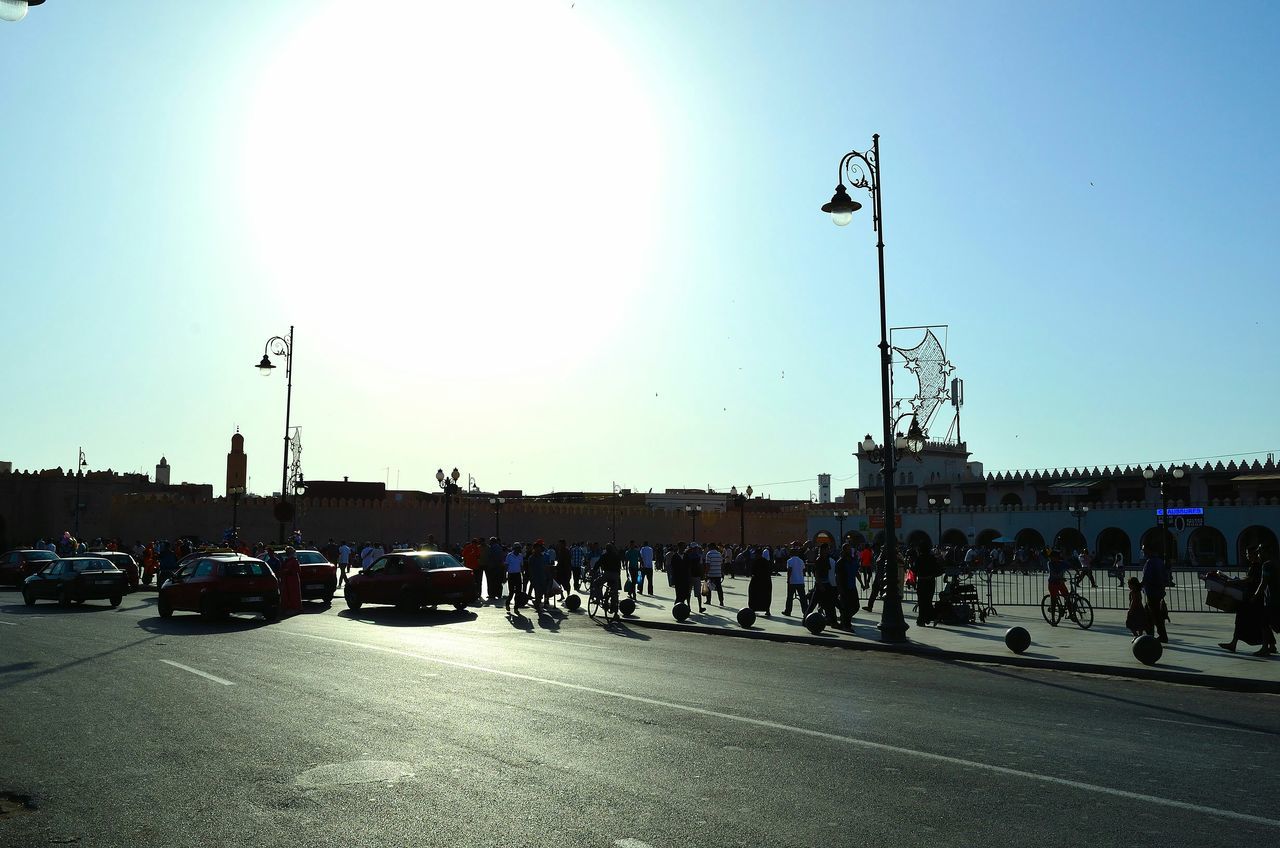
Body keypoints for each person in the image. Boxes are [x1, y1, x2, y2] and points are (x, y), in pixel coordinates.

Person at [1219, 546, 1274, 655]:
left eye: (1250, 554)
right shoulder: (1259, 565)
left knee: (1247, 619)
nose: (1248, 556)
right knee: (1262, 622)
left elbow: (1252, 580)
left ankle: (1234, 643)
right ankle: (1271, 645)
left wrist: (1233, 582)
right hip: (1256, 597)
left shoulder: (1262, 565)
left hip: (1254, 598)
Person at [1139, 545, 1169, 643]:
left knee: (1156, 615)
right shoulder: (1160, 561)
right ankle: (1149, 634)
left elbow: (1146, 577)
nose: (1143, 552)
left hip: (1152, 592)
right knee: (1148, 613)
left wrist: (1139, 585)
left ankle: (1162, 635)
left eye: (1144, 550)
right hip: (1159, 591)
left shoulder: (1150, 562)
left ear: (1149, 550)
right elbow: (1165, 577)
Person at [913, 543, 942, 626]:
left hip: (922, 581)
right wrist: (932, 575)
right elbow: (939, 570)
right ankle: (928, 617)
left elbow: (914, 569)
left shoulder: (919, 558)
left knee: (922, 601)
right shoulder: (932, 558)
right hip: (930, 581)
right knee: (928, 600)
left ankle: (923, 619)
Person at [834, 543, 859, 628]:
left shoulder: (853, 560)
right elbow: (837, 577)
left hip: (852, 586)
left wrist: (863, 583)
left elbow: (856, 572)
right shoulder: (840, 562)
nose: (849, 550)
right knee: (846, 607)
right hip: (844, 587)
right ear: (844, 550)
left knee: (856, 606)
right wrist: (840, 589)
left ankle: (845, 619)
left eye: (850, 549)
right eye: (847, 549)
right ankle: (846, 623)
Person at [748, 546, 773, 616]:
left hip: (756, 581)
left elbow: (752, 571)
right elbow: (769, 571)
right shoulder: (766, 562)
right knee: (766, 596)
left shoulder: (755, 561)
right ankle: (767, 609)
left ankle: (753, 608)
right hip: (766, 581)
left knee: (754, 595)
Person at [783, 546, 807, 617]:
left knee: (790, 597)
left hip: (792, 581)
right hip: (800, 581)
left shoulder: (789, 561)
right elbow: (803, 571)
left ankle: (788, 611)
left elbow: (789, 571)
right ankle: (805, 611)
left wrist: (788, 580)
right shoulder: (801, 561)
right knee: (803, 598)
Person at [279, 546, 303, 615]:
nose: (288, 553)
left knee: (294, 594)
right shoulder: (286, 560)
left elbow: (298, 570)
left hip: (293, 579)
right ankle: (287, 607)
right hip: (286, 579)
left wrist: (289, 571)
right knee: (286, 594)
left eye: (289, 552)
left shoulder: (294, 560)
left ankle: (295, 608)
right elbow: (282, 569)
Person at [503, 543, 525, 613]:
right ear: (514, 548)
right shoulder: (509, 556)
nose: (519, 550)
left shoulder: (520, 556)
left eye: (519, 548)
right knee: (511, 592)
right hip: (511, 575)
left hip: (518, 575)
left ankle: (516, 607)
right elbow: (506, 566)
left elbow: (521, 566)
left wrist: (523, 574)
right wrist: (504, 576)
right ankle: (507, 603)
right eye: (518, 548)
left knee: (518, 592)